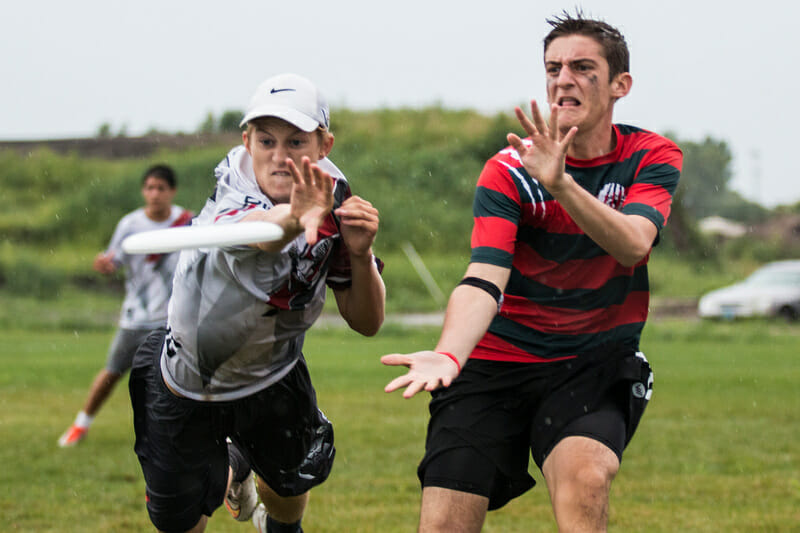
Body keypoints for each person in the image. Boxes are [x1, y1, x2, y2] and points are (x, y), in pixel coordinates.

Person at [382, 11, 682, 533]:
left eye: (583, 67)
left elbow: (633, 244)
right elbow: (484, 277)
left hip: (591, 365)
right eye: (553, 67)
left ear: (620, 85)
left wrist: (562, 184)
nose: (563, 79)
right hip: (494, 363)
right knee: (445, 524)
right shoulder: (507, 171)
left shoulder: (649, 155)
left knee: (587, 478)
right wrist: (451, 351)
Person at [129, 73, 385, 533]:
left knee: (288, 499)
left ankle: (251, 478)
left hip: (275, 375)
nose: (280, 156)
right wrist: (296, 217)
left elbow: (367, 322)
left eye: (296, 140)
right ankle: (231, 461)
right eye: (266, 140)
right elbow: (263, 233)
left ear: (324, 145)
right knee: (179, 523)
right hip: (190, 381)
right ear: (246, 140)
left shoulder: (334, 194)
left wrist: (362, 255)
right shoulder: (232, 187)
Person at [58, 164, 192, 447]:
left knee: (177, 379)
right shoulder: (130, 225)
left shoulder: (187, 222)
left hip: (172, 318)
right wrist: (104, 265)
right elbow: (112, 260)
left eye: (161, 188)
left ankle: (174, 434)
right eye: (149, 188)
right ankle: (80, 425)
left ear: (172, 191)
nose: (154, 194)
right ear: (143, 191)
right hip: (136, 316)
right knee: (112, 372)